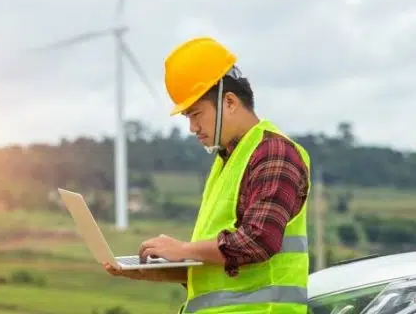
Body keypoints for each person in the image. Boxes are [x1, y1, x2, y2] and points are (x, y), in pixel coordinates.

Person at [104, 36, 311, 313]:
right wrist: (156, 270)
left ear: (229, 102)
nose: (192, 127)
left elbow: (258, 241)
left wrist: (184, 250)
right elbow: (223, 270)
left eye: (196, 114)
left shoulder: (273, 152)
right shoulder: (227, 161)